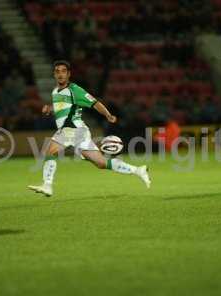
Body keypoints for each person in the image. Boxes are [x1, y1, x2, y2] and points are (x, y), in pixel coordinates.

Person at [28, 60, 151, 197]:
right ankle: (138, 170)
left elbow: (95, 103)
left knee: (50, 152)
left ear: (69, 74)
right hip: (77, 132)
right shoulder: (55, 92)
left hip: (73, 129)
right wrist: (49, 109)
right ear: (54, 74)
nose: (60, 74)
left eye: (63, 71)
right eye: (57, 71)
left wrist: (108, 115)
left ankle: (48, 185)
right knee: (101, 163)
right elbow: (62, 107)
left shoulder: (75, 90)